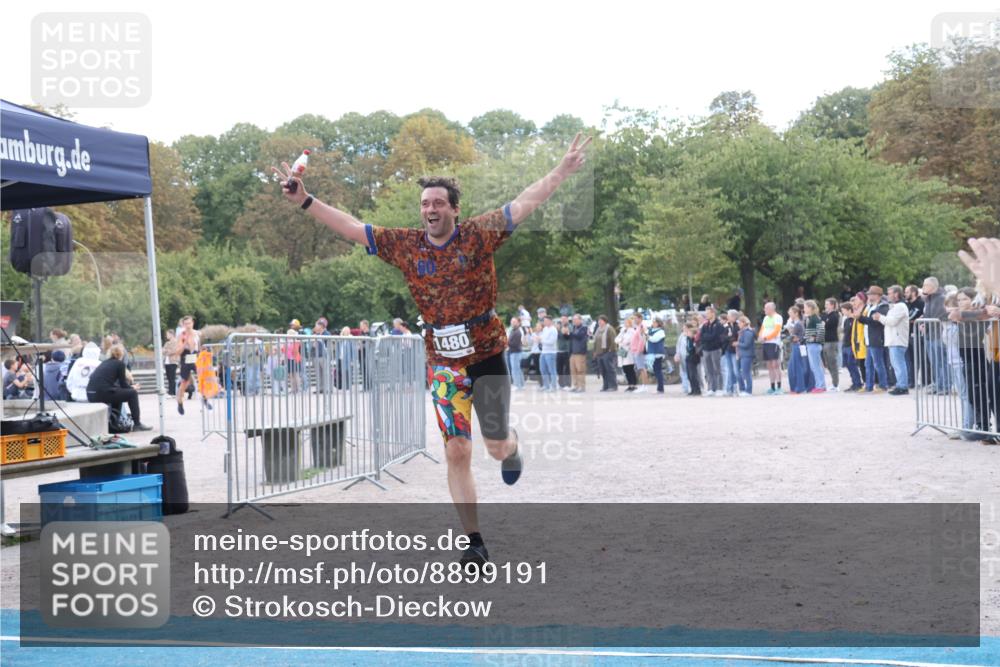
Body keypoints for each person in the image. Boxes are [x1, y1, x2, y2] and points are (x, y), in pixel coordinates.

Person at [274, 133, 592, 568]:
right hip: (442, 361)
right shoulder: (406, 246)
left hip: (486, 354)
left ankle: (511, 447)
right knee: (456, 449)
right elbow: (351, 226)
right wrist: (307, 201)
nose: (430, 210)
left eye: (438, 203)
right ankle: (475, 540)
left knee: (494, 445)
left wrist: (561, 170)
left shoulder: (479, 235)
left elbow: (524, 203)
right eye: (425, 203)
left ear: (454, 209)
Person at [86, 344, 152, 432]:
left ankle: (115, 423)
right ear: (121, 354)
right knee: (132, 394)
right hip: (102, 393)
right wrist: (132, 388)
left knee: (119, 394)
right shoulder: (119, 364)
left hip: (91, 393)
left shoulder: (104, 363)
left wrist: (129, 387)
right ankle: (137, 424)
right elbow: (123, 384)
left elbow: (110, 384)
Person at [883, 285, 911, 395]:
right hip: (894, 340)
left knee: (899, 364)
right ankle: (900, 384)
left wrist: (880, 317)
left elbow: (892, 322)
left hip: (897, 340)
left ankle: (903, 386)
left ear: (896, 294)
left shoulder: (900, 306)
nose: (888, 295)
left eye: (889, 293)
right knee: (896, 364)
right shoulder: (896, 306)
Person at [699, 306, 726, 396]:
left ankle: (719, 388)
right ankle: (711, 388)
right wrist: (708, 337)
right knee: (709, 370)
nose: (706, 315)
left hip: (715, 349)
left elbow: (715, 336)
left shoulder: (718, 325)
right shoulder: (705, 325)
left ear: (713, 313)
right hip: (706, 350)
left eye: (708, 313)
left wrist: (708, 337)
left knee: (717, 369)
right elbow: (701, 336)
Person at [758, 302, 783, 395]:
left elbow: (776, 331)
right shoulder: (765, 318)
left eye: (766, 308)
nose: (764, 310)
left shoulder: (777, 317)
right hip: (766, 343)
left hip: (774, 343)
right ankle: (772, 386)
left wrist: (766, 338)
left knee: (775, 364)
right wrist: (760, 336)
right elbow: (762, 329)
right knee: (769, 365)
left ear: (771, 309)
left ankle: (779, 387)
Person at [802, 300, 827, 393]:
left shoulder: (815, 318)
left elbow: (821, 331)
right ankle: (819, 385)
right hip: (811, 344)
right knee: (814, 366)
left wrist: (816, 339)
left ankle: (820, 385)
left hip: (814, 345)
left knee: (816, 366)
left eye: (805, 307)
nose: (804, 309)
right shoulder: (810, 318)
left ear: (810, 308)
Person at [840, 302, 863, 391]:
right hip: (845, 345)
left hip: (851, 345)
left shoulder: (854, 320)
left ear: (849, 310)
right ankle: (854, 382)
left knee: (852, 365)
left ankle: (858, 383)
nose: (842, 312)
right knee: (848, 366)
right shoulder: (846, 320)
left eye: (843, 310)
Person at [820, 298, 841, 392]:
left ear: (832, 305)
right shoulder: (824, 315)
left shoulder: (835, 315)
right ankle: (834, 383)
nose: (825, 306)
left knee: (833, 363)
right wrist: (823, 324)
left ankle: (836, 384)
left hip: (831, 342)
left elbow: (826, 325)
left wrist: (824, 324)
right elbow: (821, 324)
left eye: (827, 304)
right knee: (827, 363)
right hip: (824, 341)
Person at [593, 315, 618, 391]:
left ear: (605, 321)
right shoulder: (598, 330)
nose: (599, 322)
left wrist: (611, 350)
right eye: (598, 320)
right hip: (599, 353)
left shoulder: (609, 329)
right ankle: (606, 385)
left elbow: (613, 340)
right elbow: (595, 341)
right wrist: (595, 351)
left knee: (610, 370)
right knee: (603, 370)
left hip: (608, 352)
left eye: (601, 320)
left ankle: (613, 386)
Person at [785, 305, 807, 394]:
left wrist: (791, 336)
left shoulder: (798, 324)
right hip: (795, 346)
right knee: (792, 367)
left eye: (791, 313)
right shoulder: (796, 323)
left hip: (798, 346)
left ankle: (800, 387)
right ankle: (795, 387)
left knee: (797, 367)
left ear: (796, 313)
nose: (789, 315)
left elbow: (797, 337)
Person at [567, 314, 589, 393]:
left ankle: (581, 386)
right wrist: (566, 334)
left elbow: (579, 336)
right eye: (573, 320)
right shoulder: (573, 328)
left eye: (576, 320)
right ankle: (575, 385)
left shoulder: (584, 328)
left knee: (580, 370)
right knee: (573, 370)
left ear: (580, 320)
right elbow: (569, 338)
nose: (574, 321)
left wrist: (570, 333)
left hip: (580, 353)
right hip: (573, 353)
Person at [538, 315, 559, 392]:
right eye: (544, 321)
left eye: (546, 321)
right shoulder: (545, 329)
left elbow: (551, 342)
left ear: (550, 321)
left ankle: (553, 386)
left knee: (552, 370)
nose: (544, 322)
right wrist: (539, 340)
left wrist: (541, 340)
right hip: (543, 352)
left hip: (551, 352)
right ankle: (546, 385)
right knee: (542, 369)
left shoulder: (553, 330)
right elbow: (543, 338)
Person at [722, 310, 740, 396]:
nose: (727, 317)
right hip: (728, 350)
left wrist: (730, 338)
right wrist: (730, 338)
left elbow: (737, 337)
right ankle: (731, 388)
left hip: (735, 351)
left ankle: (737, 387)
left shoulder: (738, 326)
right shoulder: (726, 325)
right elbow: (722, 336)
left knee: (736, 370)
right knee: (730, 370)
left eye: (729, 316)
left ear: (734, 317)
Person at [646, 317, 667, 393]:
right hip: (652, 353)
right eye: (653, 322)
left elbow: (654, 339)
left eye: (655, 322)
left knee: (658, 370)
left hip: (657, 353)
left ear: (658, 323)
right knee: (655, 370)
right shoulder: (651, 330)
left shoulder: (661, 331)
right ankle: (659, 387)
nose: (653, 323)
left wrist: (647, 336)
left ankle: (660, 388)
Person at [736, 315, 754, 396]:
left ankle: (748, 390)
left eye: (739, 323)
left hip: (747, 355)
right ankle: (742, 389)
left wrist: (738, 344)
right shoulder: (741, 332)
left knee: (746, 373)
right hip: (740, 354)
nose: (738, 324)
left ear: (743, 323)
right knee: (738, 373)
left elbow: (746, 344)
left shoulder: (748, 332)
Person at [506, 316, 525, 390]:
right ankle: (521, 384)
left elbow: (514, 343)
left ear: (518, 323)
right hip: (513, 352)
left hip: (515, 352)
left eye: (514, 322)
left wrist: (506, 342)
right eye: (512, 321)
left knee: (515, 370)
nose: (512, 323)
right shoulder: (513, 330)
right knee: (517, 369)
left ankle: (518, 385)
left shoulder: (517, 332)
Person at [684, 322, 702, 396]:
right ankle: (692, 389)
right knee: (689, 374)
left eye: (689, 332)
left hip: (693, 357)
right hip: (688, 357)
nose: (687, 333)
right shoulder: (688, 339)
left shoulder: (694, 340)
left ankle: (697, 389)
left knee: (693, 374)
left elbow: (693, 348)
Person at [556, 314, 572, 389]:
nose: (563, 320)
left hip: (567, 350)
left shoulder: (570, 326)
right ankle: (561, 384)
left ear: (567, 320)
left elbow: (568, 337)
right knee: (559, 368)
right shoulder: (559, 327)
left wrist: (566, 332)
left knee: (567, 368)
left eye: (564, 319)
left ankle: (567, 384)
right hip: (559, 350)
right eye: (562, 319)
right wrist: (557, 330)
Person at [162, 329, 180, 397]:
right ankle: (171, 391)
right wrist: (167, 351)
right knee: (169, 377)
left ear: (171, 334)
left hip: (173, 361)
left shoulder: (176, 341)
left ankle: (172, 392)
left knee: (172, 377)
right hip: (167, 362)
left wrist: (167, 351)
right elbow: (163, 351)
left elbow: (174, 351)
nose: (166, 336)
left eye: (167, 334)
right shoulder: (167, 343)